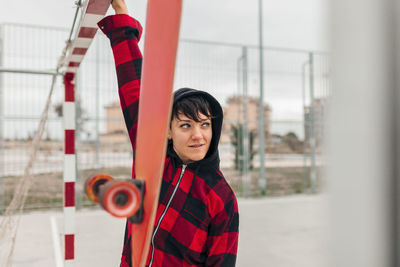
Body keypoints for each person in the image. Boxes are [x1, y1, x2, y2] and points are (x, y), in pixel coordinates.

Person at [98, 1, 239, 266]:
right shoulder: (154, 161)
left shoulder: (221, 197)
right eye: (186, 125)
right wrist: (120, 12)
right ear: (169, 132)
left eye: (205, 125)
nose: (198, 135)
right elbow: (136, 90)